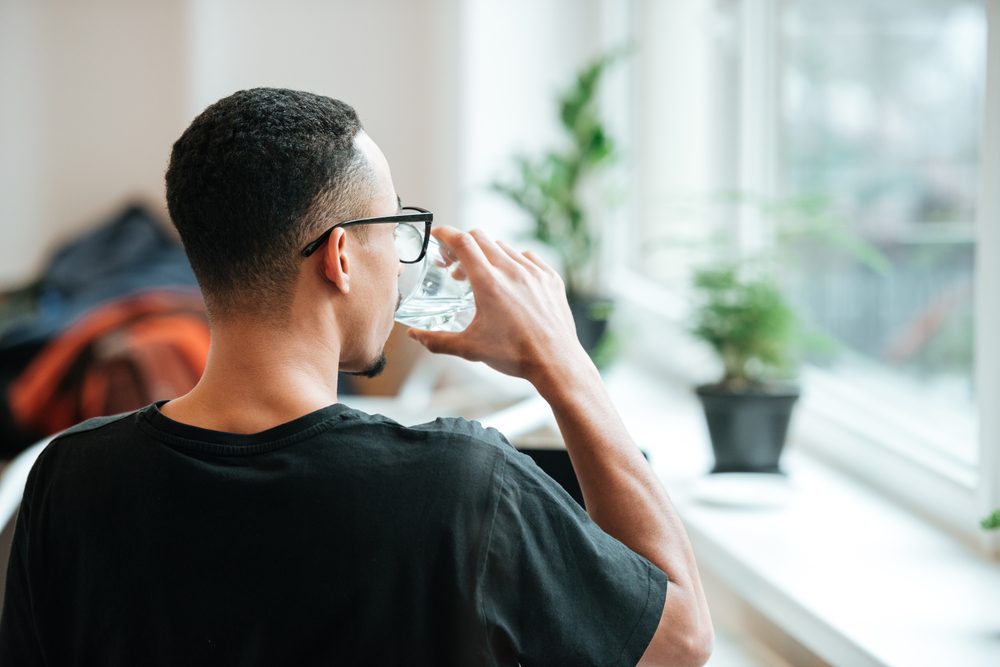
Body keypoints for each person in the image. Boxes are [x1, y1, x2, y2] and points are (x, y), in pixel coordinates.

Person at [0, 88, 713, 666]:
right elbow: (680, 642)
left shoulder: (68, 480)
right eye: (397, 229)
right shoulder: (463, 488)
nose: (405, 259)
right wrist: (563, 364)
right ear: (339, 256)